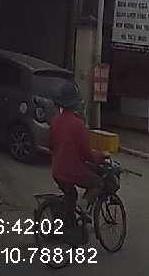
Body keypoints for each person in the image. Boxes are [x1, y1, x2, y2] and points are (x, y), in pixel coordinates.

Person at [48, 82, 107, 235]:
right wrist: (100, 156)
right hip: (72, 171)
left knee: (70, 195)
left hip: (57, 171)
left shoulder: (55, 121)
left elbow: (50, 144)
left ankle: (68, 223)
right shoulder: (78, 124)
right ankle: (83, 205)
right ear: (75, 104)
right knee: (98, 183)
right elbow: (87, 154)